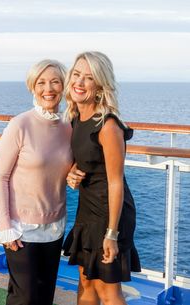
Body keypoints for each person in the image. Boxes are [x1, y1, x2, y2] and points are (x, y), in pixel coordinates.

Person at [0, 59, 78, 305]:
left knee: (44, 295)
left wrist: (74, 171)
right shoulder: (20, 124)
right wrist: (5, 226)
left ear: (64, 87)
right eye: (41, 82)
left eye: (55, 82)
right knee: (25, 297)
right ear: (32, 86)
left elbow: (67, 163)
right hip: (21, 228)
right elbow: (0, 177)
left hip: (54, 226)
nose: (48, 88)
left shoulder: (68, 125)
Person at [63, 51, 141, 305]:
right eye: (76, 75)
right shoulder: (76, 118)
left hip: (110, 213)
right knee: (85, 280)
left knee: (108, 290)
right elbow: (87, 156)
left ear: (99, 85)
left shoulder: (108, 125)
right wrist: (72, 171)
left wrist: (112, 233)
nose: (79, 82)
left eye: (88, 78)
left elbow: (116, 181)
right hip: (87, 209)